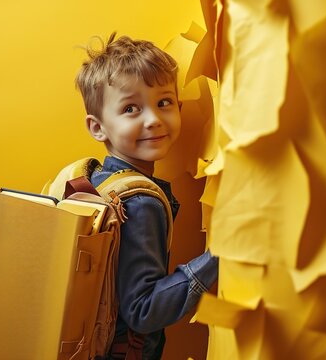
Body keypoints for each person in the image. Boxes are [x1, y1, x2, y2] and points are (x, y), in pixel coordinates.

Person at [74, 33, 219, 360]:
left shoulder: (95, 178)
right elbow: (143, 311)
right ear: (98, 128)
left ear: (179, 107)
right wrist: (218, 258)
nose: (153, 119)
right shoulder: (140, 202)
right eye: (131, 108)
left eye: (164, 102)